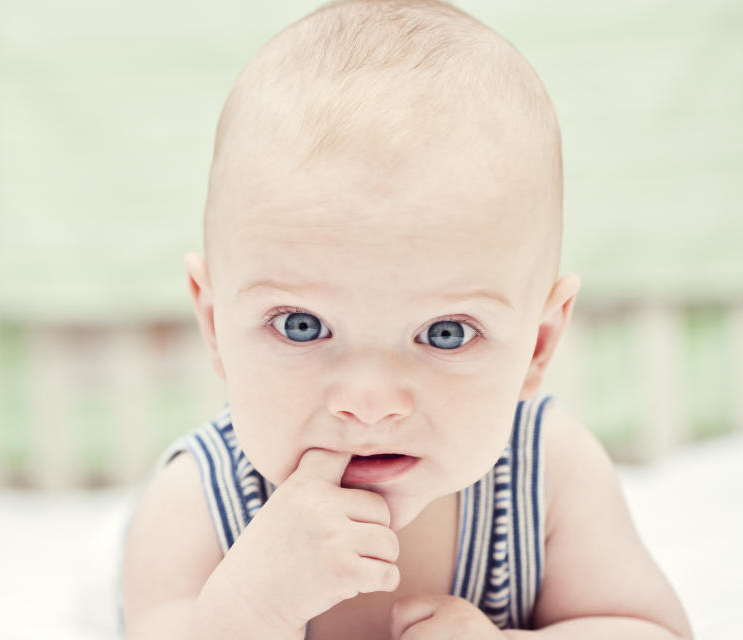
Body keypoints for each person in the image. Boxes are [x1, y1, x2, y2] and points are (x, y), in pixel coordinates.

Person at [118, 1, 693, 638]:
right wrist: (253, 606)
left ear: (538, 344)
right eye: (301, 325)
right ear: (213, 322)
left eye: (446, 333)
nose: (368, 404)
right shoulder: (197, 504)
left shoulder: (547, 478)